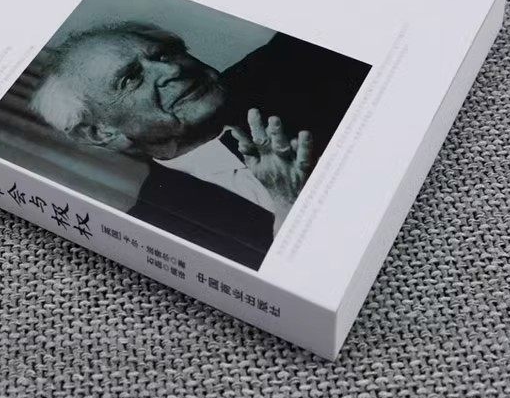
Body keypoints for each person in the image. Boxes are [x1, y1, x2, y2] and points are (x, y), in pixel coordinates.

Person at [30, 22, 370, 268]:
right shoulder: (158, 230)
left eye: (165, 54)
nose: (171, 71)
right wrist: (289, 206)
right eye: (131, 78)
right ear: (100, 132)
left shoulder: (300, 58)